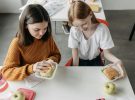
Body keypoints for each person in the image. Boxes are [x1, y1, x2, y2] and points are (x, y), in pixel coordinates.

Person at [0, 4, 61, 81]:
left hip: (44, 80)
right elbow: (6, 72)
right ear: (26, 25)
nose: (42, 33)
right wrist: (32, 68)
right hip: (27, 82)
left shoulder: (47, 36)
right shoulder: (16, 43)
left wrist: (51, 60)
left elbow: (56, 54)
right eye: (36, 29)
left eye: (45, 28)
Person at [68, 1, 123, 67]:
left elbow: (107, 53)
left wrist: (117, 60)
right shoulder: (74, 30)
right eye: (77, 26)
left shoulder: (102, 30)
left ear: (91, 14)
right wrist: (75, 69)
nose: (81, 29)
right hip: (79, 60)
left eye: (84, 24)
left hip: (96, 60)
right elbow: (75, 54)